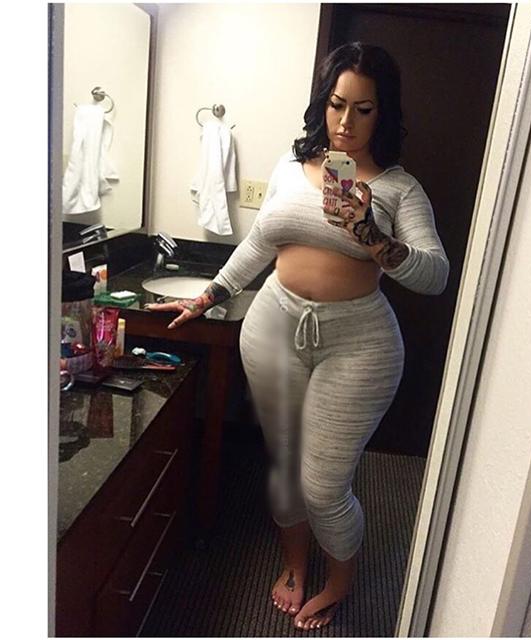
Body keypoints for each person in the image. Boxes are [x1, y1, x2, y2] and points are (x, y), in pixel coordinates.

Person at [145, 41, 449, 631]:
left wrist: (370, 235)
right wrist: (208, 295)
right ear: (323, 104)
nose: (346, 122)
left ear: (383, 112)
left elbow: (434, 276)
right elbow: (260, 243)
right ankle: (294, 562)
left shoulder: (399, 189)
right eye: (337, 104)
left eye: (363, 109)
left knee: (324, 484)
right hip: (274, 326)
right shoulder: (291, 166)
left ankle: (340, 581)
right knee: (286, 467)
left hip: (358, 343)